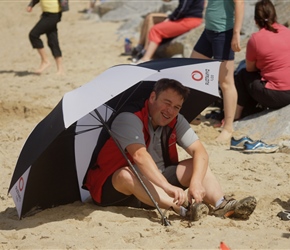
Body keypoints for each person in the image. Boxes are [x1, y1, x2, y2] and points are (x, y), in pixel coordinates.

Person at [83, 78, 257, 221]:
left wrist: (195, 182)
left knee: (196, 165)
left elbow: (200, 152)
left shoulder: (175, 119)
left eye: (176, 107)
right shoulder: (129, 118)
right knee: (126, 175)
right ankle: (184, 209)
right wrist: (167, 186)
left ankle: (222, 205)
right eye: (167, 103)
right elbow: (139, 156)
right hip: (115, 187)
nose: (170, 111)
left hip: (157, 180)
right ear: (152, 98)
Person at [190, 0, 244, 142]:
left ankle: (228, 127)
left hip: (224, 33)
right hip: (209, 31)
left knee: (226, 82)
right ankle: (193, 113)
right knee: (193, 69)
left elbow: (240, 3)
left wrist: (236, 34)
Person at [234, 0, 290, 120]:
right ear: (275, 16)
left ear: (255, 20)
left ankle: (236, 115)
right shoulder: (287, 32)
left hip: (277, 96)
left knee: (241, 74)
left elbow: (250, 69)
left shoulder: (255, 39)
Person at [132, 0, 205, 63]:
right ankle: (141, 48)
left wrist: (171, 18)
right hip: (187, 17)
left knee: (156, 30)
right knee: (150, 17)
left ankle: (146, 58)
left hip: (190, 19)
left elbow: (183, 9)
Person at [27, 0, 66, 74]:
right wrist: (31, 4)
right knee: (52, 40)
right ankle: (60, 69)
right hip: (46, 13)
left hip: (54, 14)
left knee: (33, 35)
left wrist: (64, 6)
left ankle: (45, 61)